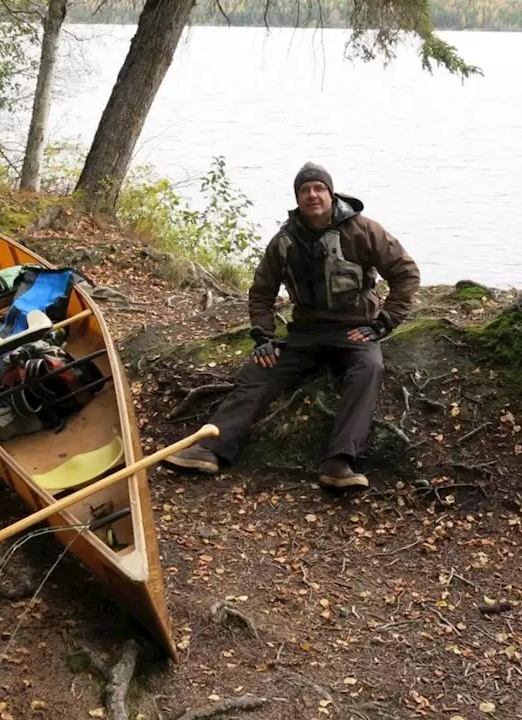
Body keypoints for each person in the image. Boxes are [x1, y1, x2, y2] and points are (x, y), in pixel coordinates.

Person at [165, 162, 421, 490]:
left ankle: (339, 462)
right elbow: (261, 291)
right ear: (297, 197)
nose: (312, 195)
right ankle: (210, 447)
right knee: (259, 370)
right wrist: (263, 336)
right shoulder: (285, 240)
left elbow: (406, 273)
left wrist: (384, 323)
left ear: (330, 193)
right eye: (305, 190)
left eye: (318, 188)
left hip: (355, 330)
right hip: (306, 334)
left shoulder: (364, 230)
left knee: (369, 369)